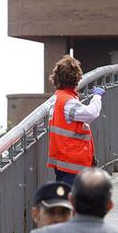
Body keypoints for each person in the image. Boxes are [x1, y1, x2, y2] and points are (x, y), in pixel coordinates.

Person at [47, 55, 105, 186]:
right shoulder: (68, 102)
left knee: (66, 199)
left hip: (62, 161)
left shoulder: (57, 99)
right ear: (76, 79)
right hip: (73, 163)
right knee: (74, 201)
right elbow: (91, 113)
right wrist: (97, 96)